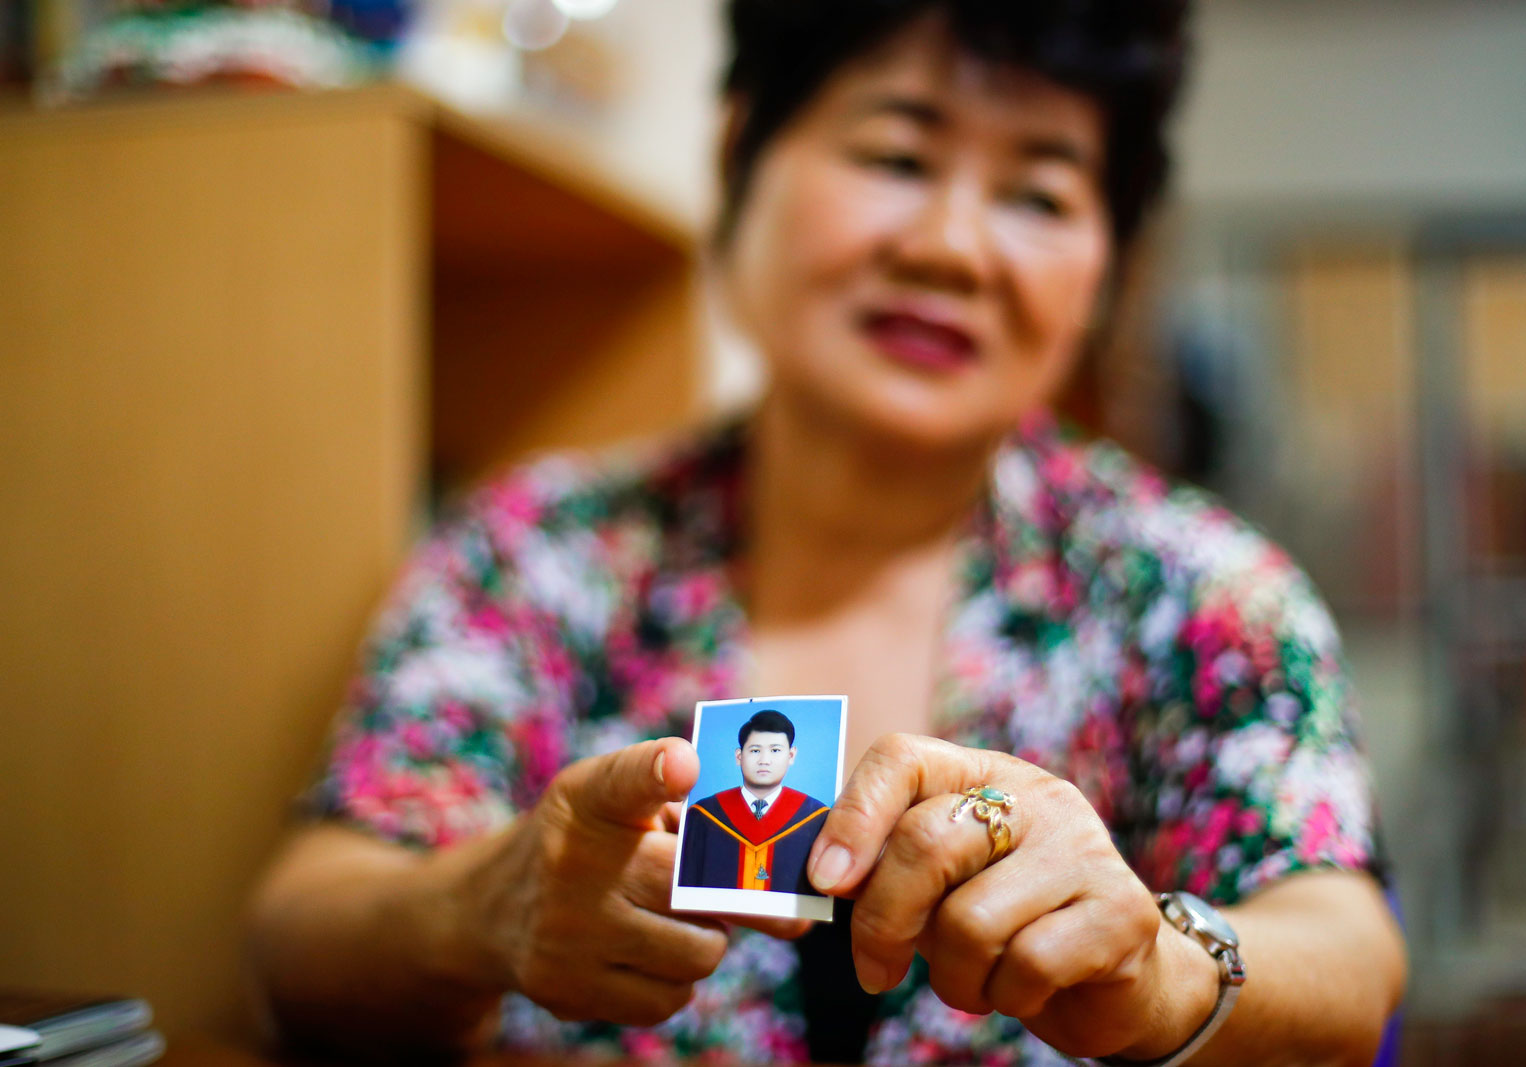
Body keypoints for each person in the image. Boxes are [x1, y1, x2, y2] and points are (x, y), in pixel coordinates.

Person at [245, 2, 1408, 1064]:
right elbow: (305, 924)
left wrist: (1160, 971)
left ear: (1105, 269)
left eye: (1039, 193)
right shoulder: (536, 551)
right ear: (739, 160)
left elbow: (1345, 954)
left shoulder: (1200, 591)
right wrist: (472, 911)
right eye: (897, 156)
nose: (951, 247)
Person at [680, 709, 830, 895]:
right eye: (755, 750)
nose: (764, 761)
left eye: (775, 750)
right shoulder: (703, 815)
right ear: (739, 756)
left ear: (791, 756)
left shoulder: (816, 817)